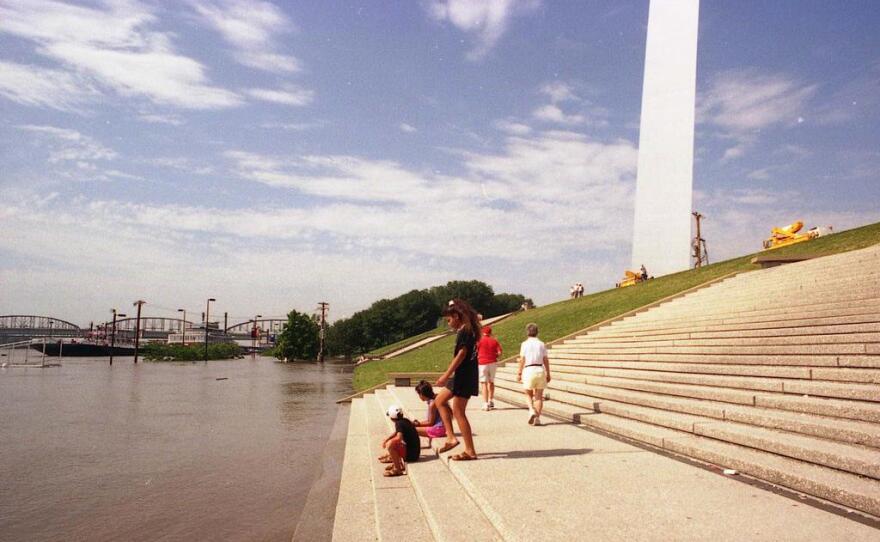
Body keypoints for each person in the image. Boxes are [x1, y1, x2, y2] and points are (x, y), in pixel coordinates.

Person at [434, 298, 480, 461]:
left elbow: (462, 354)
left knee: (459, 411)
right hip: (462, 375)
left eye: (449, 319)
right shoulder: (468, 330)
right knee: (439, 401)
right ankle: (451, 437)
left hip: (464, 376)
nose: (448, 323)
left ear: (457, 316)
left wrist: (445, 375)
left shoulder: (466, 331)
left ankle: (470, 451)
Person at [516, 323, 551, 426]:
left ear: (527, 332)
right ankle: (537, 418)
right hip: (540, 369)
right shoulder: (541, 344)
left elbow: (522, 359)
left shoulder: (524, 344)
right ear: (537, 332)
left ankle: (531, 410)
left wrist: (519, 372)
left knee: (527, 393)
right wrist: (548, 373)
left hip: (528, 370)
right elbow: (545, 359)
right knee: (539, 396)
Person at [379, 404, 420, 477]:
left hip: (411, 455)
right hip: (414, 453)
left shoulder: (398, 423)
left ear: (391, 417)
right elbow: (397, 432)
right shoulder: (404, 420)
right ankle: (396, 462)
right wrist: (387, 439)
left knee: (391, 445)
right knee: (392, 442)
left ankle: (397, 469)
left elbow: (399, 437)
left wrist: (389, 443)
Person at [412, 380, 446, 446]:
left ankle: (412, 449)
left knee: (410, 429)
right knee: (410, 427)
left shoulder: (432, 404)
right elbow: (430, 421)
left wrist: (417, 424)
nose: (419, 396)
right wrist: (417, 423)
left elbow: (430, 423)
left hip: (438, 429)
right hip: (440, 428)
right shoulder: (433, 401)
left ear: (421, 394)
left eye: (418, 394)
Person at [477, 326, 502, 410]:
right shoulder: (494, 341)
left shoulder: (479, 341)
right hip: (492, 363)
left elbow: (475, 351)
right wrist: (494, 355)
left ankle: (485, 403)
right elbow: (499, 352)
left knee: (483, 383)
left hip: (482, 363)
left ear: (482, 332)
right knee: (491, 382)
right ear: (490, 332)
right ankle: (491, 400)